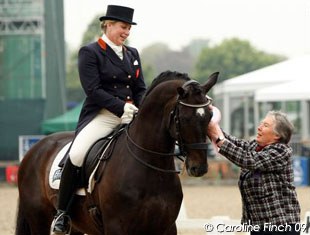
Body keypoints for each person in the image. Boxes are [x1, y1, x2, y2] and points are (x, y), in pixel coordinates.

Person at [51, 5, 146, 234]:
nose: (126, 32)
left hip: (131, 115)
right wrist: (120, 107)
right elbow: (92, 90)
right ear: (109, 24)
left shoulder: (132, 54)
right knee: (76, 153)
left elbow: (140, 87)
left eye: (129, 28)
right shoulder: (90, 52)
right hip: (103, 115)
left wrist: (141, 108)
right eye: (123, 27)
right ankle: (62, 214)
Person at [207, 107, 301, 235]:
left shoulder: (281, 151)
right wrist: (208, 124)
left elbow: (248, 160)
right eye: (261, 123)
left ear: (277, 135)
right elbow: (231, 141)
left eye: (265, 125)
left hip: (281, 227)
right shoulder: (255, 147)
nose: (259, 127)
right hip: (258, 227)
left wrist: (219, 141)